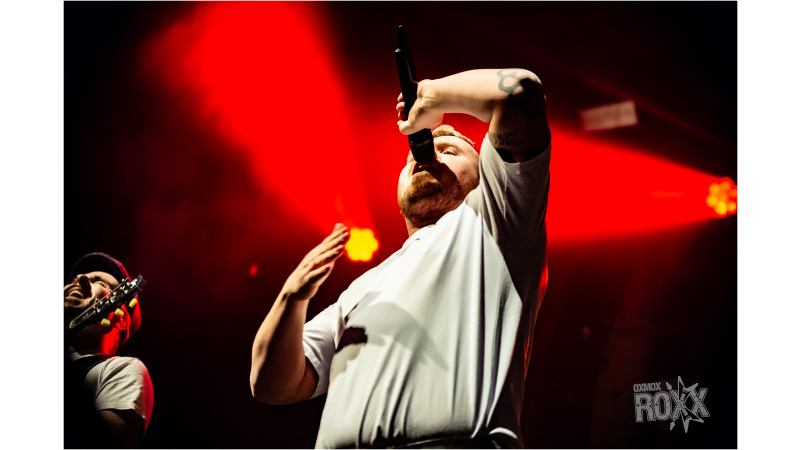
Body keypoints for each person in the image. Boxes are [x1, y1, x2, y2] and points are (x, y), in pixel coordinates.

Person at [250, 68, 551, 448]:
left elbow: (519, 92)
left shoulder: (494, 225)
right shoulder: (360, 289)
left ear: (487, 177)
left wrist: (432, 96)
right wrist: (291, 299)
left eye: (449, 151)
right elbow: (273, 386)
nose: (426, 155)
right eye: (413, 157)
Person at [64, 252, 154, 448]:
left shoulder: (119, 371)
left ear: (120, 318)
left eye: (100, 282)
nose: (80, 279)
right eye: (73, 280)